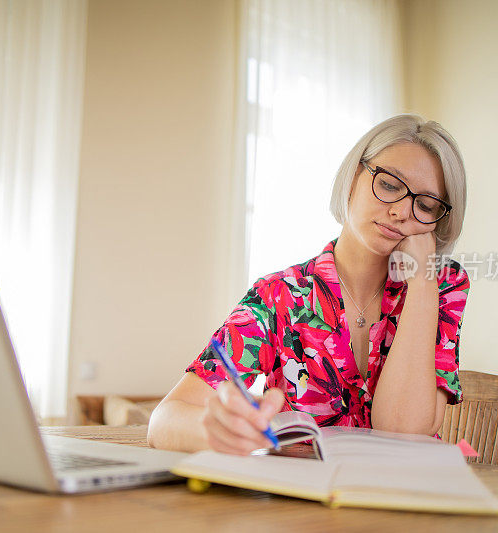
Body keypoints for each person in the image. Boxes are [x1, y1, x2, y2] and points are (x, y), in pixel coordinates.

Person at [147, 114, 469, 455]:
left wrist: (422, 280)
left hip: (404, 498)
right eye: (389, 184)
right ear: (354, 175)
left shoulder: (443, 285)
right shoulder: (279, 296)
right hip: (302, 501)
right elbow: (165, 420)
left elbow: (403, 431)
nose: (402, 211)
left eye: (426, 204)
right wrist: (224, 433)